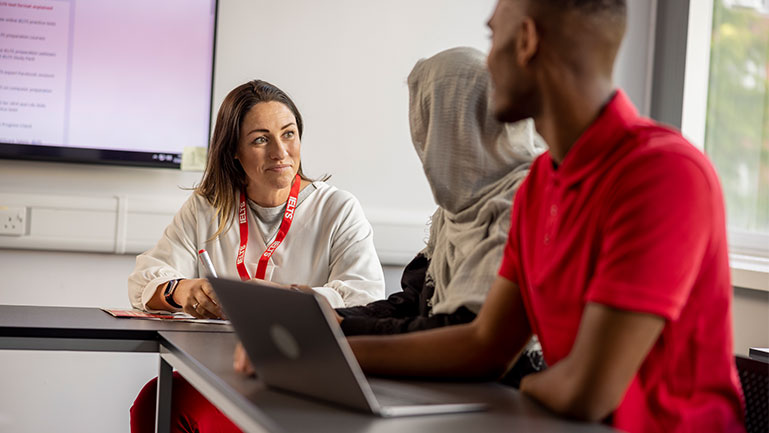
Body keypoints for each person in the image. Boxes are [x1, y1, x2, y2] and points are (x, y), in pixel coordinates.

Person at [344, 1, 746, 432]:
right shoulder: (539, 184)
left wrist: (529, 386)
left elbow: (586, 392)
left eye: (492, 37)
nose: (488, 61)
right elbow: (484, 344)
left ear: (527, 41)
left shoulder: (663, 172)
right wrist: (330, 350)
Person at [234, 47, 547, 386]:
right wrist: (327, 316)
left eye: (428, 121)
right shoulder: (458, 210)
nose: (423, 140)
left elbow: (462, 334)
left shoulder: (519, 204)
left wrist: (333, 333)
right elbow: (413, 303)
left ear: (453, 126)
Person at [128, 79, 385, 432]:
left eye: (289, 134)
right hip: (222, 371)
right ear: (234, 151)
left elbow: (367, 300)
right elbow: (146, 278)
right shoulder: (208, 207)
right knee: (155, 400)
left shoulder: (337, 209)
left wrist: (291, 301)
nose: (280, 152)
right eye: (261, 139)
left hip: (304, 379)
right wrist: (182, 291)